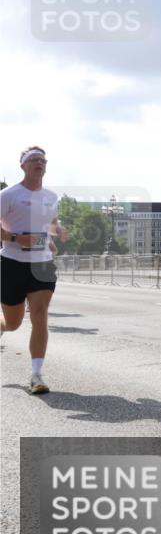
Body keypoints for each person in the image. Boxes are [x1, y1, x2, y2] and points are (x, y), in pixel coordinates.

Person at [0, 146, 70, 394]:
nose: (40, 163)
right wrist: (16, 238)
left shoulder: (50, 196)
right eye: (34, 159)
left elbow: (50, 222)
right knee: (13, 323)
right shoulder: (8, 195)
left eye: (43, 160)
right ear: (23, 165)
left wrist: (56, 231)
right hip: (12, 263)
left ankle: (36, 375)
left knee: (39, 315)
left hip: (42, 264)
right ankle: (2, 327)